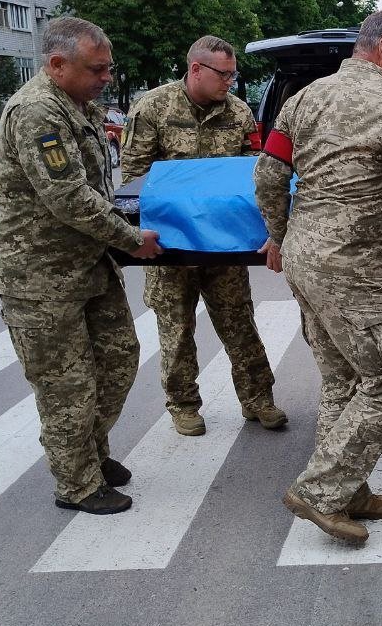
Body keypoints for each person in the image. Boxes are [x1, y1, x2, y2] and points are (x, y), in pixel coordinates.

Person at [254, 9, 382, 544]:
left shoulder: (303, 100)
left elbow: (268, 175)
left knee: (344, 381)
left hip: (305, 258)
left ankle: (350, 491)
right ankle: (320, 491)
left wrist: (279, 235)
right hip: (354, 267)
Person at [0, 16, 164, 515]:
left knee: (119, 358)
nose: (107, 77)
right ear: (58, 64)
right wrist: (131, 240)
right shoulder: (37, 112)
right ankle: (76, 482)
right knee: (66, 384)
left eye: (109, 68)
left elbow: (98, 188)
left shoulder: (76, 104)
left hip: (87, 264)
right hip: (40, 277)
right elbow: (68, 197)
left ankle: (90, 453)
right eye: (97, 69)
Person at [120, 35, 286, 438]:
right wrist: (140, 234)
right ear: (196, 69)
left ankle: (258, 399)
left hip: (224, 245)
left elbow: (255, 176)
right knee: (176, 330)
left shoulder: (239, 112)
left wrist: (267, 228)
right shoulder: (153, 108)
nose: (230, 81)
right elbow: (134, 180)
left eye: (233, 75)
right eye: (223, 74)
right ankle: (183, 405)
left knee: (239, 322)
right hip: (171, 247)